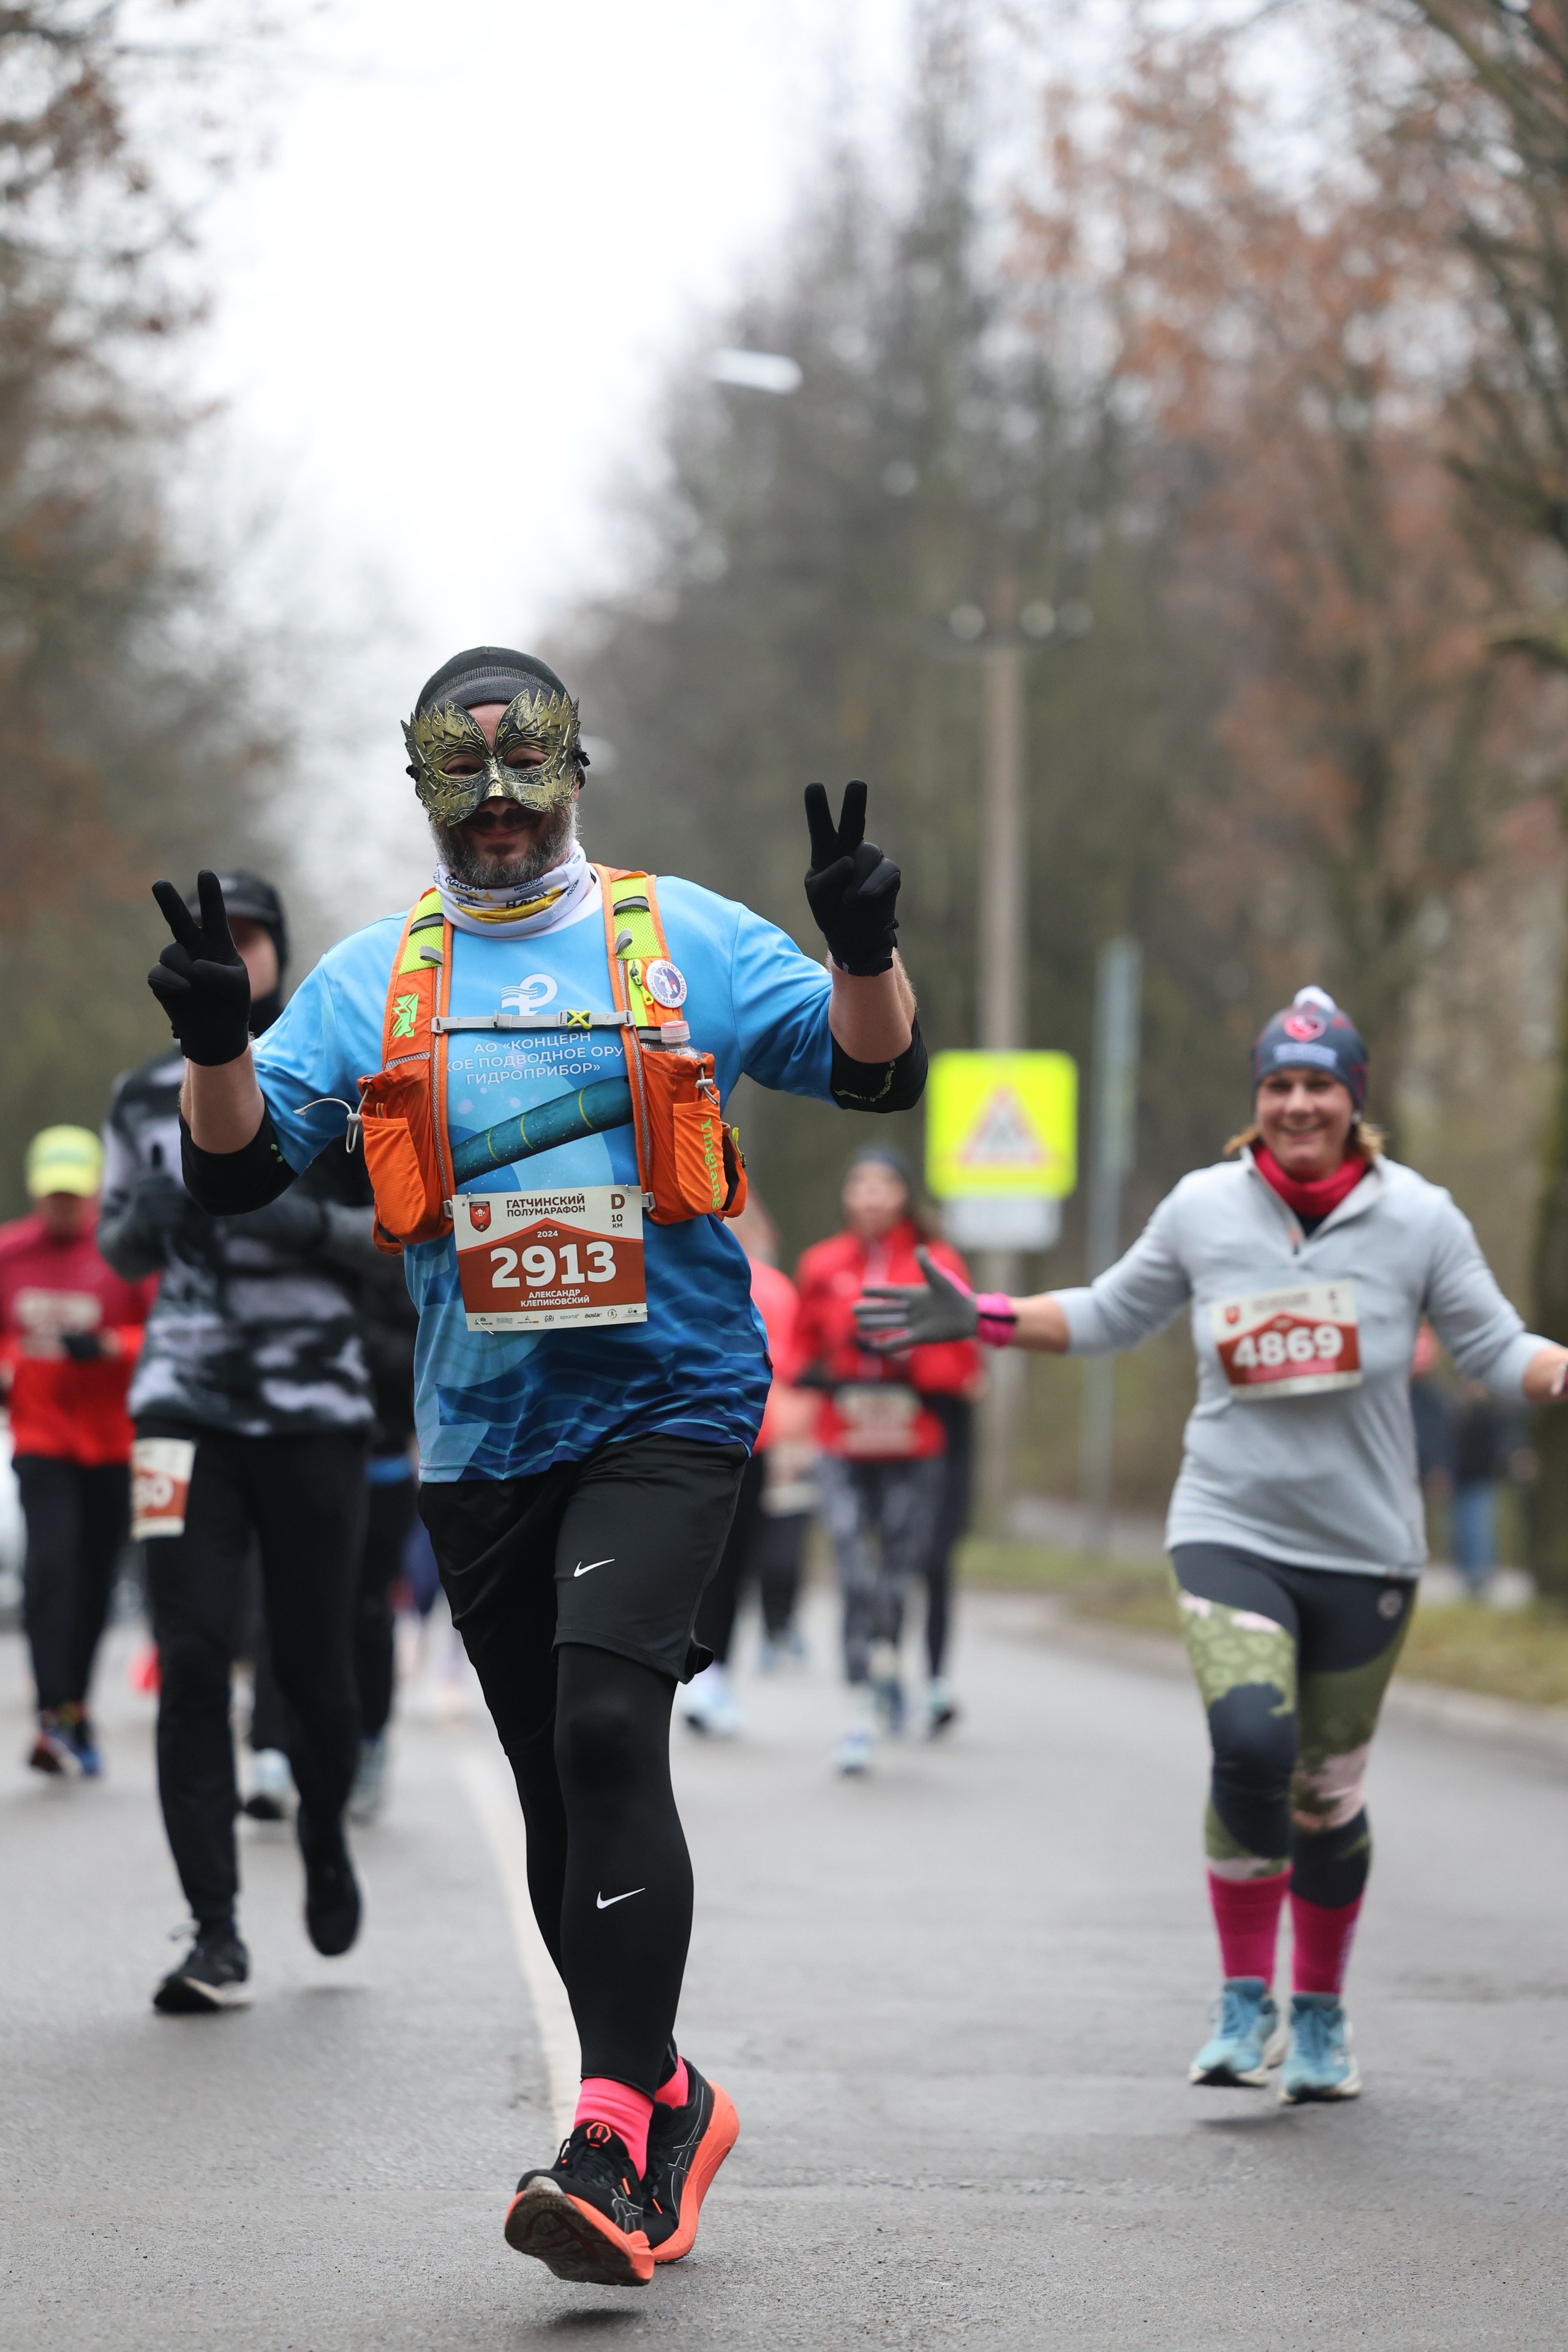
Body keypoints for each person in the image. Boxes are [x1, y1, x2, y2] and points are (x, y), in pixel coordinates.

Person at [145, 646, 926, 2288]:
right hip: (484, 1434)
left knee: (598, 1717)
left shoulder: (683, 936)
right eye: (462, 776)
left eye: (527, 769)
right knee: (566, 1796)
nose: (499, 806)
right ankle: (667, 2100)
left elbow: (871, 1066)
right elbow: (231, 1176)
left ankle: (606, 2135)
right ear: (420, 787)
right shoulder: (375, 978)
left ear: (578, 766)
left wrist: (867, 949)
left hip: (672, 1406)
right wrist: (225, 1045)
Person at [857, 984, 1568, 2102]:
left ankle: (1323, 2014)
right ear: (1257, 1099)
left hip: (1368, 1547)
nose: (1297, 1104)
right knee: (1249, 1740)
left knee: (1326, 1795)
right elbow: (1109, 1311)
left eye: (1319, 1084)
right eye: (1278, 1085)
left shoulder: (1419, 1216)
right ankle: (1246, 1998)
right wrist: (986, 1318)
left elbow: (1493, 1341)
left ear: (1354, 1099)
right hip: (1230, 1524)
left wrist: (1556, 1368)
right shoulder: (1204, 1207)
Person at [99, 869, 383, 2015]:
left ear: (279, 954)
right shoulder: (137, 1099)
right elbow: (118, 1257)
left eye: (254, 936)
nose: (238, 952)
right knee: (191, 1656)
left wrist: (305, 1217)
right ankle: (214, 1931)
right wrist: (141, 1222)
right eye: (221, 938)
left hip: (315, 1409)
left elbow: (398, 1232)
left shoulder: (340, 1083)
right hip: (182, 1406)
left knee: (313, 1667)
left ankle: (322, 1828)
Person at [794, 1147, 981, 1771]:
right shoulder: (821, 1264)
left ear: (904, 1194)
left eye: (883, 1185)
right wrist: (822, 1373)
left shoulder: (938, 1263)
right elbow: (797, 1349)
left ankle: (888, 1665)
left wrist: (908, 1360)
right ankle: (857, 1711)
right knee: (852, 1567)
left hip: (914, 1441)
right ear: (846, 1195)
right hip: (842, 1440)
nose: (871, 1196)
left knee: (898, 1571)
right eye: (859, 1183)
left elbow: (963, 1358)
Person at [0, 1126, 156, 1775]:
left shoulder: (121, 1251)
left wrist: (112, 1345)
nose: (62, 1206)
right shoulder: (10, 1254)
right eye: (52, 1195)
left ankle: (75, 1709)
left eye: (74, 1195)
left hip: (112, 1443)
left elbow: (164, 1334)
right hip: (40, 1439)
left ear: (94, 1190)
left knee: (93, 1582)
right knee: (49, 1571)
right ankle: (48, 1712)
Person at [682, 1196, 815, 1736]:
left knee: (732, 1567)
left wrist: (793, 1443)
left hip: (749, 1447)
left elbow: (792, 1372)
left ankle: (717, 1677)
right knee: (689, 1566)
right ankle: (694, 1672)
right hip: (681, 1441)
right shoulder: (682, 1276)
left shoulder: (773, 1289)